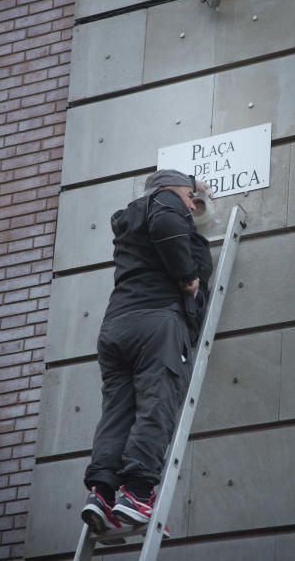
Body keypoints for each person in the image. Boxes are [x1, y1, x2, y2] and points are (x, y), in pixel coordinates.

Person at [80, 170, 213, 535]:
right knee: (157, 403)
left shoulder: (130, 221)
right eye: (190, 197)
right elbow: (168, 220)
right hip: (156, 323)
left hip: (117, 329)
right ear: (176, 190)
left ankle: (102, 493)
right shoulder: (164, 203)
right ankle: (137, 492)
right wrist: (187, 276)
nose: (192, 205)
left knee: (118, 413)